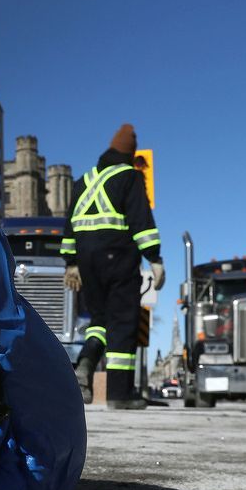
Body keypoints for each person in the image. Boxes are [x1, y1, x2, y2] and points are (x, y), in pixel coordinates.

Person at [60, 124, 165, 410]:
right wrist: (155, 258)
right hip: (118, 257)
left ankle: (86, 362)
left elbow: (69, 224)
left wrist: (71, 262)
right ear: (130, 154)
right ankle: (120, 394)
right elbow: (141, 222)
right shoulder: (129, 176)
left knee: (99, 320)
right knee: (122, 321)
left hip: (87, 263)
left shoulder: (84, 181)